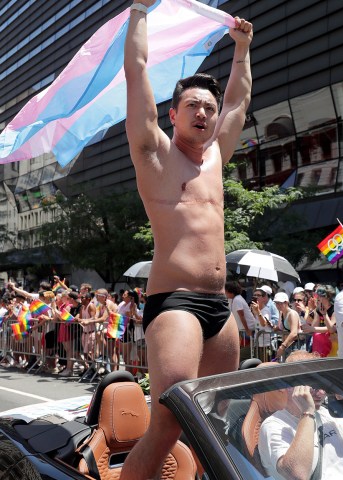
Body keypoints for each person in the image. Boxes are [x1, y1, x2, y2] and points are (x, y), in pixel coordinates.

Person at [121, 1, 253, 477]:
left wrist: (242, 51)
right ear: (173, 114)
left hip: (220, 306)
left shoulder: (217, 154)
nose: (203, 112)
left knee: (214, 424)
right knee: (171, 420)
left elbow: (238, 101)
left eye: (209, 107)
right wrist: (138, 10)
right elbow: (136, 73)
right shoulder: (154, 153)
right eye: (193, 105)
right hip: (175, 302)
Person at [258, 351, 343, 480]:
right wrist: (307, 412)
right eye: (313, 385)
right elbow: (298, 475)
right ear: (288, 385)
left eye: (323, 384)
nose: (322, 392)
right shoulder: (273, 425)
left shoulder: (325, 415)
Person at [273, 292, 302, 361]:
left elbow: (294, 333)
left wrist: (282, 346)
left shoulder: (292, 314)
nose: (278, 305)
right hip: (288, 346)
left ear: (286, 302)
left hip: (296, 346)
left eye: (280, 303)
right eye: (276, 303)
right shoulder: (281, 313)